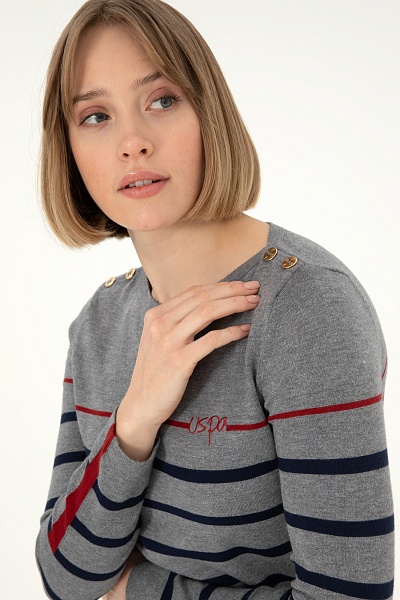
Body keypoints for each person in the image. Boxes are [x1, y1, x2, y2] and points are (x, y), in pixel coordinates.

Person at [35, 0, 394, 598]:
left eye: (162, 100)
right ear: (68, 148)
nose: (132, 142)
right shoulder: (98, 323)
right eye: (95, 116)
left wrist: (137, 590)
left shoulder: (307, 308)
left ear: (209, 112)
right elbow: (62, 579)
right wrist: (134, 421)